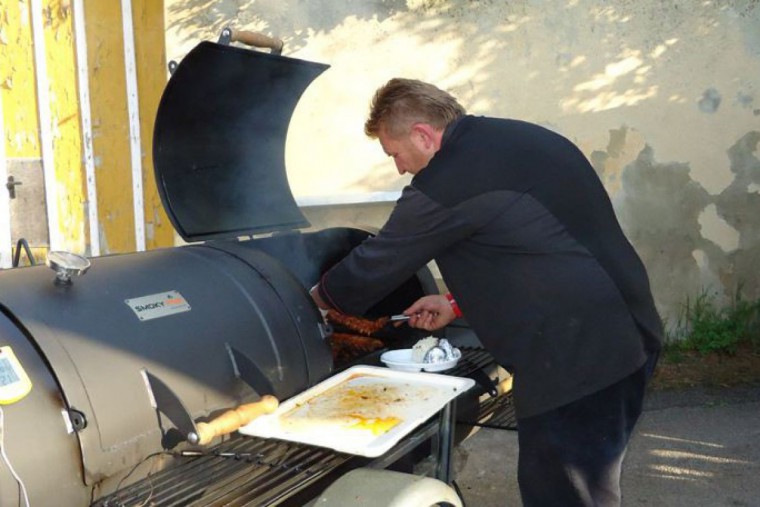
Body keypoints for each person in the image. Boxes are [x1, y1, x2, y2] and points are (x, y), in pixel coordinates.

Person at [310, 78, 662, 506]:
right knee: (579, 485)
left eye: (395, 154)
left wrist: (310, 304)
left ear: (422, 134)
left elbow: (374, 264)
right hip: (622, 331)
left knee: (565, 491)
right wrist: (454, 301)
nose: (399, 168)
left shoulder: (450, 180)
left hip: (577, 359)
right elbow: (537, 246)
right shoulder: (516, 139)